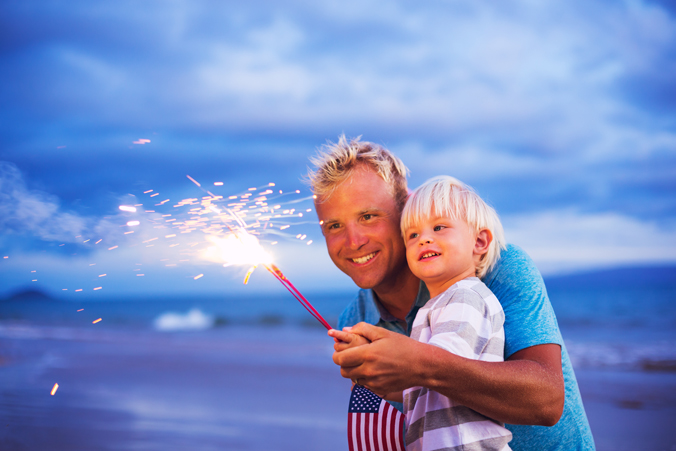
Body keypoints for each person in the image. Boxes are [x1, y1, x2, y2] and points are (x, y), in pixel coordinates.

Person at [308, 135, 595, 450]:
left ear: (406, 207)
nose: (353, 241)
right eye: (334, 226)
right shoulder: (357, 318)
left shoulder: (493, 266)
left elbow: (546, 401)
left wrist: (421, 363)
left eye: (368, 217)